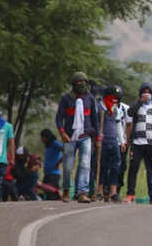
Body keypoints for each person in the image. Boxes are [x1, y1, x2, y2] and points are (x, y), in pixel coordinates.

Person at [55, 72, 100, 203]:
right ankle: (67, 190)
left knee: (85, 164)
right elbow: (59, 118)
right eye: (80, 82)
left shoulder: (90, 99)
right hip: (70, 137)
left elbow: (94, 120)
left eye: (85, 81)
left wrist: (97, 138)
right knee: (68, 166)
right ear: (74, 84)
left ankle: (82, 192)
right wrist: (62, 133)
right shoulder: (66, 98)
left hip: (86, 136)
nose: (83, 84)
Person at [126, 83, 152, 205]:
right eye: (144, 92)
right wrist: (140, 102)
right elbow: (130, 113)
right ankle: (130, 194)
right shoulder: (136, 105)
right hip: (137, 143)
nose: (146, 94)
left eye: (149, 92)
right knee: (133, 169)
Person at [95, 85, 126, 203]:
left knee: (115, 167)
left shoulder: (116, 109)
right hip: (102, 142)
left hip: (114, 142)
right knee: (101, 167)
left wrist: (121, 141)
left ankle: (113, 193)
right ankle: (99, 192)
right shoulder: (98, 108)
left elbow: (118, 125)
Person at [41, 129, 64, 199]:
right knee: (47, 191)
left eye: (43, 137)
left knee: (52, 194)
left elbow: (66, 151)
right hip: (47, 173)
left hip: (54, 173)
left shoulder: (55, 143)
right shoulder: (48, 145)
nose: (42, 139)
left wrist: (59, 162)